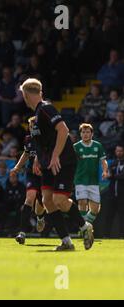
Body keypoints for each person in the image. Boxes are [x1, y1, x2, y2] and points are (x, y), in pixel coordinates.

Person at [19, 78, 93, 251]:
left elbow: (63, 130)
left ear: (26, 95)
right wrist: (38, 158)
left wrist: (55, 156)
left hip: (62, 161)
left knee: (59, 200)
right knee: (47, 200)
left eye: (23, 95)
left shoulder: (46, 108)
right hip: (47, 163)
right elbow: (42, 140)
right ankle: (66, 242)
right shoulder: (36, 115)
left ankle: (85, 227)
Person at [10, 116, 46, 245]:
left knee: (41, 205)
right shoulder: (28, 139)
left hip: (44, 175)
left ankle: (40, 218)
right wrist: (17, 167)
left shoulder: (47, 139)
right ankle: (22, 232)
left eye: (34, 126)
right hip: (31, 174)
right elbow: (25, 154)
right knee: (29, 198)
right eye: (30, 126)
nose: (32, 128)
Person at [74, 123, 108, 224]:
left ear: (92, 134)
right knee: (82, 201)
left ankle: (85, 225)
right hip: (80, 180)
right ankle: (84, 228)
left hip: (93, 181)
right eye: (83, 132)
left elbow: (103, 161)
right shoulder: (76, 147)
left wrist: (105, 171)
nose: (85, 134)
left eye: (88, 132)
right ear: (80, 134)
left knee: (95, 209)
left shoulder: (98, 146)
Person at [105, 145, 124, 238]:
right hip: (112, 194)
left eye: (121, 151)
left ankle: (122, 235)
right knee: (109, 215)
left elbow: (121, 176)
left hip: (122, 195)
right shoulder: (113, 163)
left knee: (122, 216)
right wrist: (111, 176)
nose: (119, 153)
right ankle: (106, 235)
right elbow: (108, 174)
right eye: (118, 151)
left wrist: (112, 176)